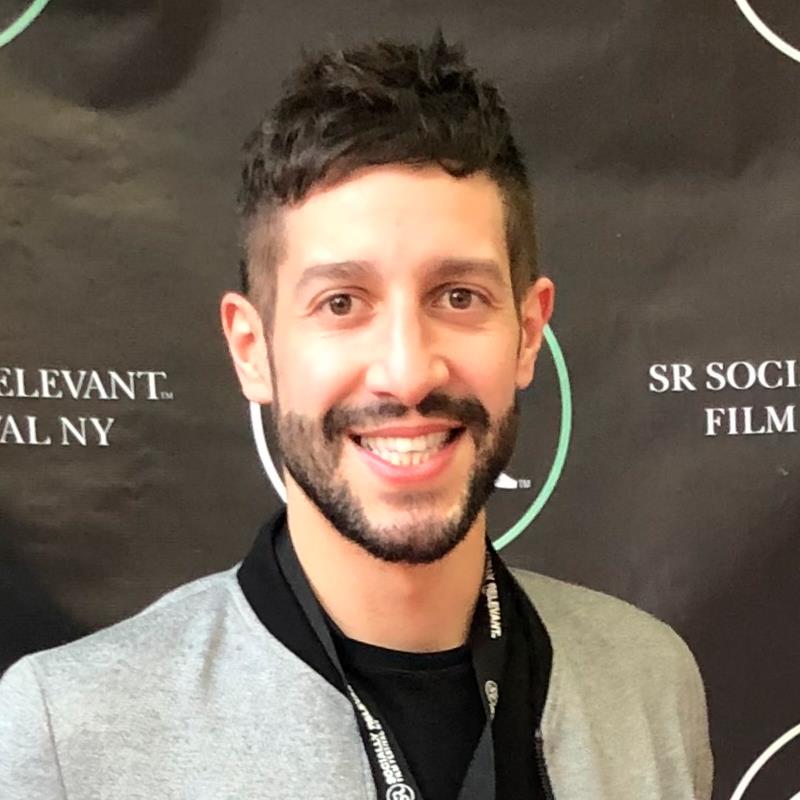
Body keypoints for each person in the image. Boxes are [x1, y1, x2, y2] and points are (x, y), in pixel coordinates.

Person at [0, 33, 712, 800]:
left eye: (458, 296)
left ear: (529, 333)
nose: (407, 372)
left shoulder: (649, 683)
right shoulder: (70, 733)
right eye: (342, 303)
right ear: (253, 350)